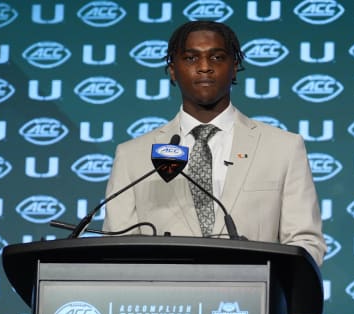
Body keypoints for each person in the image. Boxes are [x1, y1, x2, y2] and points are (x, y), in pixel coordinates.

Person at [102, 20, 327, 266]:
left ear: (234, 68)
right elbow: (117, 248)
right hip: (165, 301)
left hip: (253, 297)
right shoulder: (133, 155)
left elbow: (305, 243)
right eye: (190, 58)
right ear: (173, 71)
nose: (204, 67)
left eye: (217, 57)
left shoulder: (283, 148)